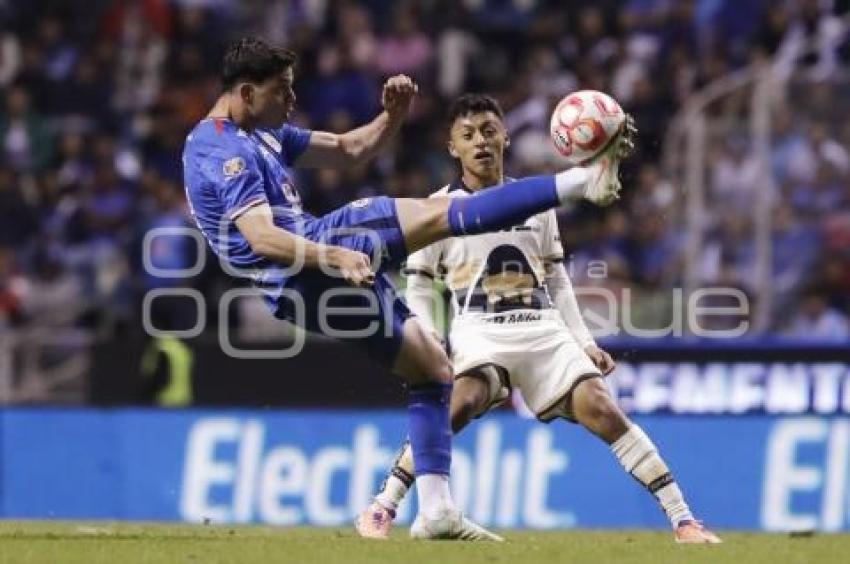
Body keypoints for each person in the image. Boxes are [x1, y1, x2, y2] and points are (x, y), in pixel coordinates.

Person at [182, 38, 630, 540]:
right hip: (313, 257)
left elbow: (349, 150)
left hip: (298, 294)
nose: (292, 99)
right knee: (445, 214)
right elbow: (262, 238)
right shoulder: (221, 150)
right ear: (247, 92)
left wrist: (391, 117)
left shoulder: (261, 133)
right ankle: (580, 183)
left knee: (433, 370)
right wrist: (335, 255)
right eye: (282, 90)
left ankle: (436, 512)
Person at [355, 94, 720, 544]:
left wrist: (584, 341)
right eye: (467, 135)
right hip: (479, 329)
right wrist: (430, 337)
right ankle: (383, 505)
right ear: (452, 148)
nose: (480, 142)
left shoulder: (535, 202)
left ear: (505, 136)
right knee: (460, 403)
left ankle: (684, 521)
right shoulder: (436, 208)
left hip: (542, 327)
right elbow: (421, 282)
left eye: (488, 131)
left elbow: (556, 278)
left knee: (603, 409)